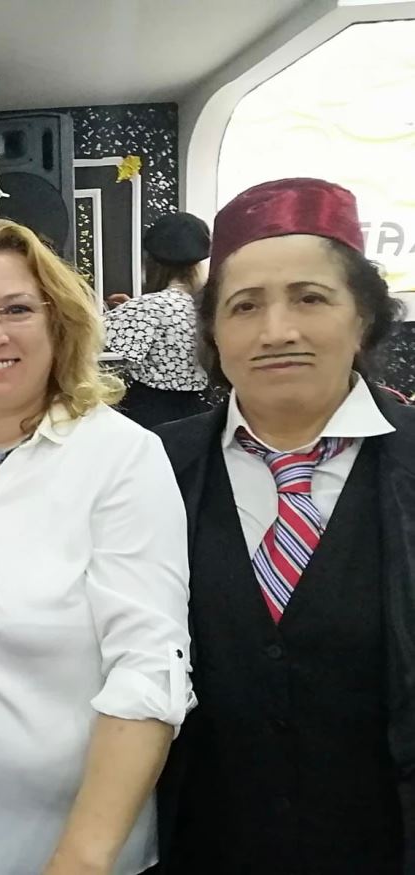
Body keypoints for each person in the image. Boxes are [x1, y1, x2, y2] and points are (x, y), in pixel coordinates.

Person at [0, 218, 195, 875]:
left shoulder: (119, 457)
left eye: (17, 309)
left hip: (82, 843)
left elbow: (151, 666)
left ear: (59, 323)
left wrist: (81, 856)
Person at [154, 178, 415, 875]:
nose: (277, 331)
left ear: (363, 315)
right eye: (244, 306)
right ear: (213, 331)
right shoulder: (153, 468)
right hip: (201, 846)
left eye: (310, 298)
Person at [104, 212, 211, 427]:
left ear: (151, 263)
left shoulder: (147, 308)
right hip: (199, 411)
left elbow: (84, 335)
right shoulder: (208, 308)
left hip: (150, 413)